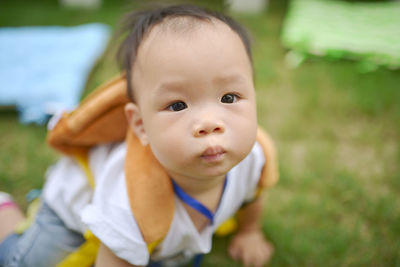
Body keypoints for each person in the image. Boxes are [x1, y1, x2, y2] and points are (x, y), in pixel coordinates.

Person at [0, 4, 278, 267]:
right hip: (70, 213)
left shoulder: (254, 158)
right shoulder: (129, 201)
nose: (209, 123)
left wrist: (249, 232)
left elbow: (253, 194)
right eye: (177, 105)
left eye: (229, 97)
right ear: (141, 125)